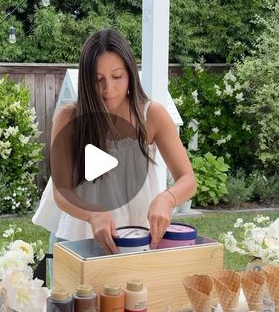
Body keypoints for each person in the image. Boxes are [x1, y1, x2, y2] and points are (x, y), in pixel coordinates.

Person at [33, 28, 196, 276]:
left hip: (136, 237)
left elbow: (188, 179)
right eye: (98, 80)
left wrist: (167, 198)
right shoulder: (68, 119)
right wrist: (92, 214)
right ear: (86, 81)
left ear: (130, 74)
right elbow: (60, 190)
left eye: (117, 76)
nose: (108, 88)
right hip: (77, 236)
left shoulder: (152, 116)